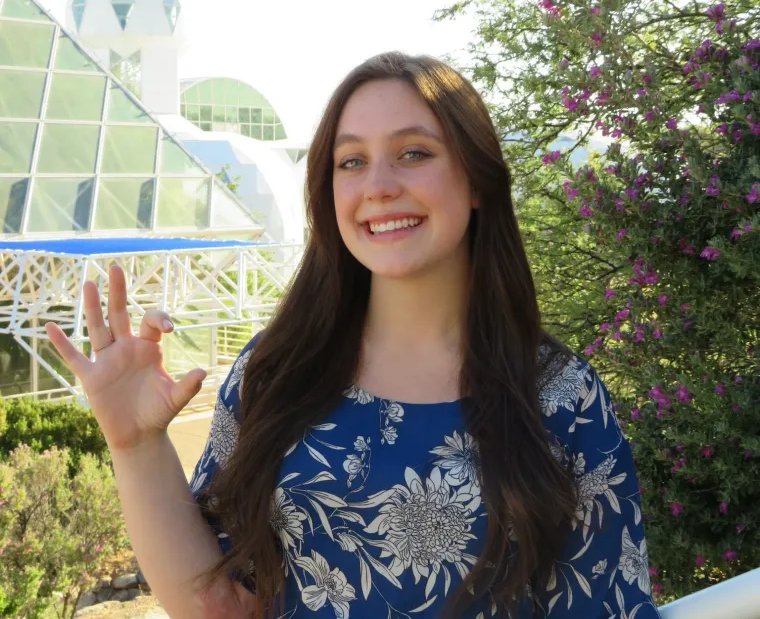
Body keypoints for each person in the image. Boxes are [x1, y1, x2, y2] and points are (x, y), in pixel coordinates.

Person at [47, 52, 660, 619]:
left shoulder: (562, 398)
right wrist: (135, 446)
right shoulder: (276, 371)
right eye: (351, 161)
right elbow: (219, 606)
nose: (379, 185)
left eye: (414, 153)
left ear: (476, 181)